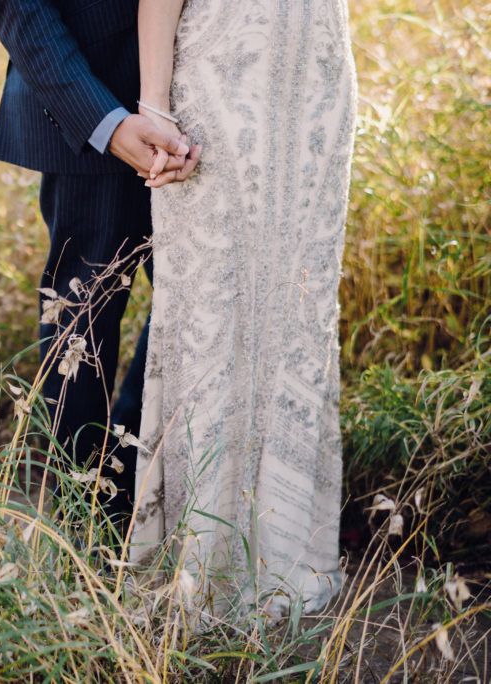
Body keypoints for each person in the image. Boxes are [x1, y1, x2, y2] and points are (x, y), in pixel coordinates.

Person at [128, 0, 356, 620]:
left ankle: (284, 552)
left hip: (318, 77)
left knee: (298, 309)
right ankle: (196, 559)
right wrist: (154, 102)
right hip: (220, 74)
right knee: (212, 305)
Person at [0, 0, 201, 547]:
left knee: (207, 296)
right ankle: (83, 535)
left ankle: (132, 474)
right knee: (82, 320)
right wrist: (105, 122)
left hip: (219, 95)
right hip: (91, 101)